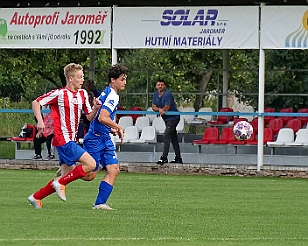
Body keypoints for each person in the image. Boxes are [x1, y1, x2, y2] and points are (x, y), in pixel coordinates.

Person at [27, 63, 101, 209]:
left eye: (83, 77)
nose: (82, 80)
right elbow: (36, 102)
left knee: (82, 176)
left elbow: (89, 116)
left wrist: (96, 108)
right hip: (63, 139)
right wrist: (40, 122)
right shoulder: (60, 93)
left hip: (71, 140)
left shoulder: (83, 94)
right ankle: (59, 184)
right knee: (91, 165)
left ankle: (36, 197)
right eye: (79, 77)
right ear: (70, 78)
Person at [82, 64, 129, 210]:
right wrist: (118, 126)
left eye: (125, 79)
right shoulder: (112, 95)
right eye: (122, 79)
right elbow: (103, 117)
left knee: (114, 169)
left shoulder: (108, 93)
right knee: (90, 175)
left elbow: (100, 118)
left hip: (104, 138)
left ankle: (99, 203)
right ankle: (69, 169)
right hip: (95, 139)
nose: (124, 82)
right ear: (113, 79)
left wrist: (111, 129)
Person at [152, 79, 183, 164]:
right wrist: (159, 110)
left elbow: (167, 107)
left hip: (173, 118)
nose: (160, 86)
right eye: (158, 85)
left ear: (164, 86)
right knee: (174, 138)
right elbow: (153, 106)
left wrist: (162, 110)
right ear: (156, 86)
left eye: (162, 84)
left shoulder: (167, 94)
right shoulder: (155, 94)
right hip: (166, 118)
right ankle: (178, 158)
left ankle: (164, 157)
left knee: (166, 135)